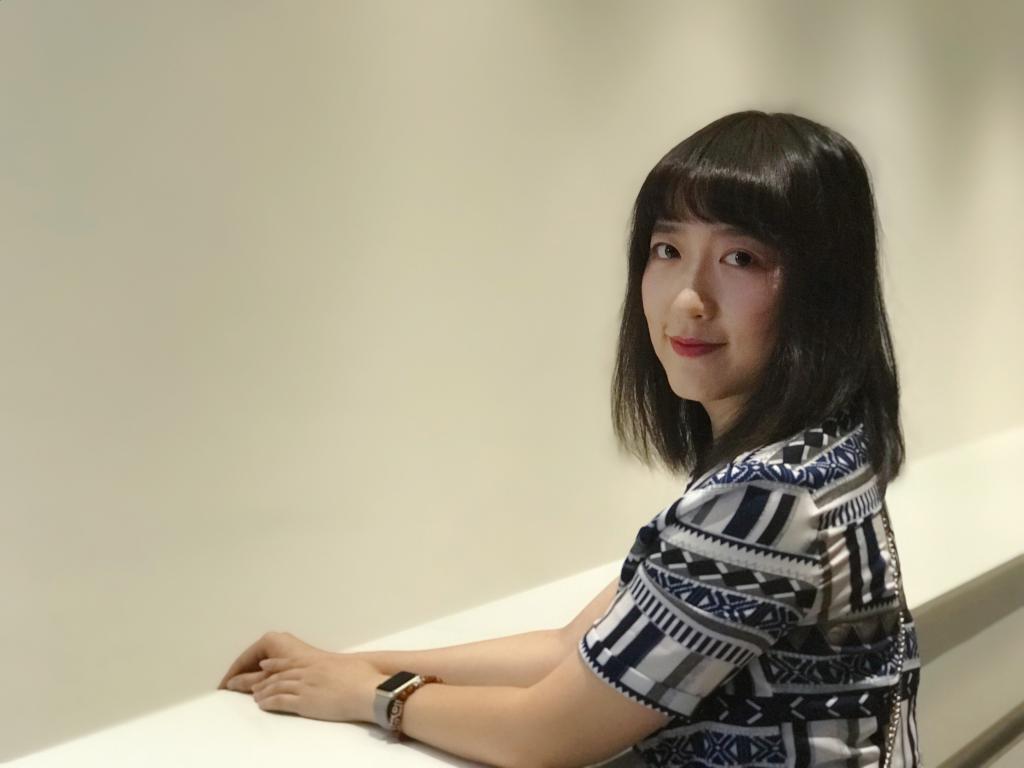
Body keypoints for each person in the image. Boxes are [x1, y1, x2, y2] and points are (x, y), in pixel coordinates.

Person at [217, 110, 923, 768]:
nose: (688, 298)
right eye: (667, 249)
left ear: (824, 288)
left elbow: (544, 734)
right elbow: (575, 649)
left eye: (740, 258)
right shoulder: (822, 453)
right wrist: (359, 665)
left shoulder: (768, 498)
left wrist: (370, 695)